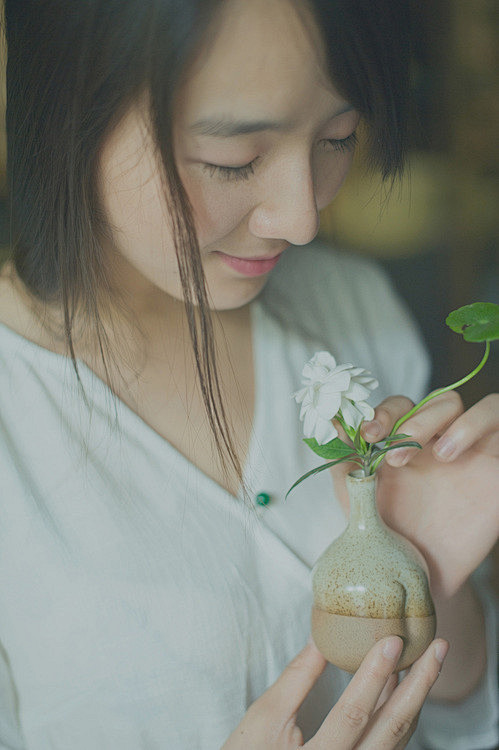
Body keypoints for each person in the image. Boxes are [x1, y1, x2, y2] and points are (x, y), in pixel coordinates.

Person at [0, 0, 497, 748]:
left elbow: (463, 717)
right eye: (232, 161)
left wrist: (427, 579)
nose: (301, 219)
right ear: (70, 110)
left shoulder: (352, 313)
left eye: (338, 137)